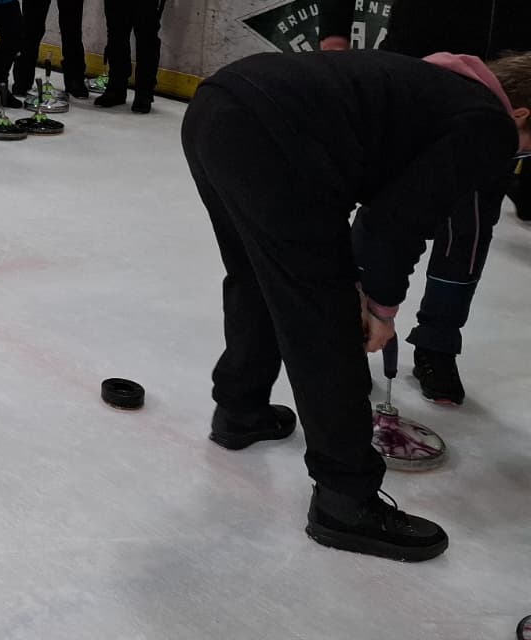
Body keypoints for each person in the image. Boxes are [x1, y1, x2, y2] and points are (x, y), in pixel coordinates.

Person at [183, 47, 531, 562]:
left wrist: (370, 287)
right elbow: (394, 223)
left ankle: (241, 408)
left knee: (256, 275)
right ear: (522, 115)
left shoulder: (440, 87)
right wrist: (381, 308)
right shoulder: (488, 125)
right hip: (274, 136)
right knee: (322, 317)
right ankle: (346, 502)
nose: (522, 156)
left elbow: (385, 210)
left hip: (218, 106)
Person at [317, 0, 531, 405]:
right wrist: (336, 42)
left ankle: (438, 345)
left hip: (501, 101)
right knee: (383, 216)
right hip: (412, 92)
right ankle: (354, 328)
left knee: (469, 228)